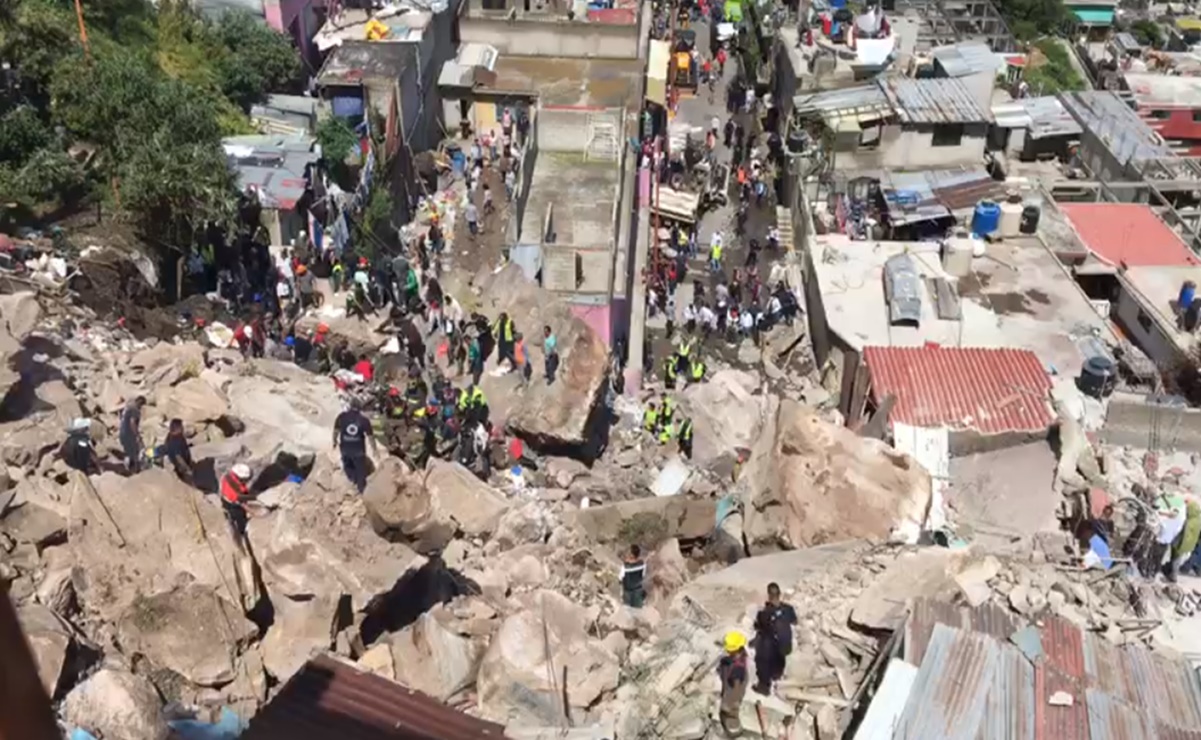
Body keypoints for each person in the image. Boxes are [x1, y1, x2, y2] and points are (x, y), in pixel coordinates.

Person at [752, 582, 797, 695]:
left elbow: (758, 627)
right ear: (779, 594)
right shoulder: (788, 608)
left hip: (774, 650)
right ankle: (778, 673)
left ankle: (764, 685)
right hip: (787, 647)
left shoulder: (764, 613)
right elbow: (795, 621)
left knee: (763, 645)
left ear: (769, 595)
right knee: (775, 639)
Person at [333, 400, 377, 493]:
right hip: (359, 451)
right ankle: (361, 491)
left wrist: (334, 441)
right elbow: (371, 437)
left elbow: (336, 431)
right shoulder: (364, 420)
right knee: (361, 473)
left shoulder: (341, 417)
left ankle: (352, 486)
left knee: (349, 468)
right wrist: (374, 449)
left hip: (345, 449)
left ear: (350, 406)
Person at [718, 631, 749, 736]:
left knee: (729, 713)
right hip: (733, 682)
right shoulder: (741, 655)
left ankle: (734, 731)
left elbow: (736, 691)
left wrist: (729, 704)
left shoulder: (738, 669)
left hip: (733, 693)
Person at [220, 463, 254, 550]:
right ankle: (242, 531)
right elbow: (242, 499)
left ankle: (230, 520)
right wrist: (255, 497)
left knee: (228, 512)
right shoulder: (237, 491)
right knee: (239, 517)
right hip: (233, 505)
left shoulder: (227, 476)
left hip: (225, 499)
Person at [119, 396, 146, 474]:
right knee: (137, 451)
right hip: (129, 434)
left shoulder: (128, 408)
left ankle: (126, 469)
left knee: (128, 452)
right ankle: (136, 470)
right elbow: (132, 422)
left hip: (123, 433)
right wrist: (137, 435)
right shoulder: (135, 410)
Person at [162, 418, 194, 482]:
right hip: (180, 469)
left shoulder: (170, 436)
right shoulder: (177, 440)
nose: (183, 428)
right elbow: (178, 457)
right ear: (178, 428)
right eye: (181, 426)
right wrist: (187, 469)